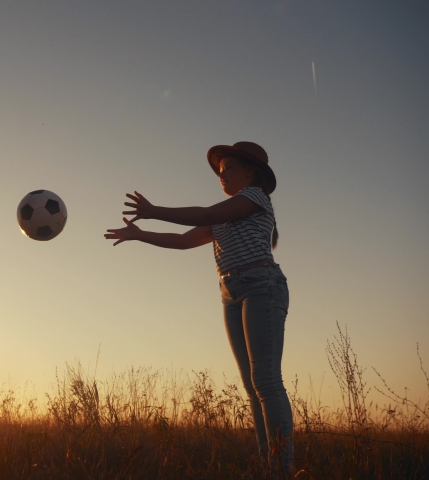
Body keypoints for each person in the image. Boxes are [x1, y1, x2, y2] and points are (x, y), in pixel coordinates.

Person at [104, 142, 293, 475]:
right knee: (252, 385)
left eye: (227, 170)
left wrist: (153, 210)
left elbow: (205, 213)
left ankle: (281, 469)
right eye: (219, 173)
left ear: (249, 172)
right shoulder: (224, 218)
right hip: (231, 293)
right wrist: (139, 234)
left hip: (262, 286)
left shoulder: (256, 199)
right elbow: (183, 240)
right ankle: (269, 467)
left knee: (265, 380)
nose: (222, 176)